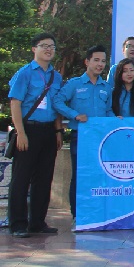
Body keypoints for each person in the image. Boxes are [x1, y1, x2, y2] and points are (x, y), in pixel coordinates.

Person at [7, 33, 64, 238]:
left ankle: (37, 222)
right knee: (21, 179)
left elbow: (56, 105)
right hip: (28, 130)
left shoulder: (56, 76)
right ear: (34, 49)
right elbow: (15, 103)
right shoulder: (25, 73)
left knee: (44, 178)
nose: (49, 49)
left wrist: (58, 131)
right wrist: (20, 132)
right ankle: (18, 224)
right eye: (44, 46)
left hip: (49, 131)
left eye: (52, 46)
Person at [53, 45, 113, 219]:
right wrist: (74, 115)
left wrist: (115, 120)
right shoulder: (74, 84)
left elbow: (108, 110)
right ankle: (77, 216)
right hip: (80, 137)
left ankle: (96, 214)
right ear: (87, 61)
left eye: (103, 61)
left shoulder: (106, 87)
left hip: (101, 139)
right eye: (96, 60)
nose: (100, 64)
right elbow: (58, 101)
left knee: (99, 176)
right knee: (80, 176)